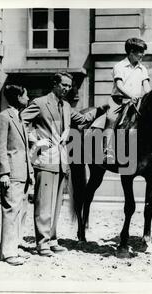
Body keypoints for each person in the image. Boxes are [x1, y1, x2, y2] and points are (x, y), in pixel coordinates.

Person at [21, 72, 108, 257]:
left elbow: (83, 120)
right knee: (44, 203)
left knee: (56, 204)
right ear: (54, 84)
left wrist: (102, 108)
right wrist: (34, 140)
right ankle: (42, 243)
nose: (67, 89)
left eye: (70, 86)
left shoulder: (67, 106)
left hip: (61, 160)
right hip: (44, 159)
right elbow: (20, 121)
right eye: (64, 85)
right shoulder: (40, 102)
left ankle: (52, 239)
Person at [0, 84, 33, 266]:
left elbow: (24, 149)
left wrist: (30, 171)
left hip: (22, 173)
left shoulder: (19, 117)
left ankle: (14, 247)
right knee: (11, 211)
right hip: (12, 173)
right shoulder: (3, 117)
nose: (28, 98)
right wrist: (4, 173)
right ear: (18, 97)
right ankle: (8, 253)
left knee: (20, 212)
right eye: (25, 95)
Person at [103, 37, 151, 162]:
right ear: (131, 52)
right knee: (111, 118)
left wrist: (150, 96)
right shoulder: (119, 66)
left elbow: (146, 87)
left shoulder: (142, 68)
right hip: (119, 100)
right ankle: (107, 149)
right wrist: (130, 95)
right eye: (140, 52)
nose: (143, 55)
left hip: (137, 101)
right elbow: (119, 85)